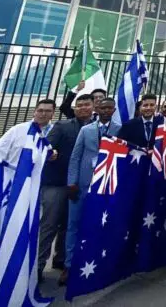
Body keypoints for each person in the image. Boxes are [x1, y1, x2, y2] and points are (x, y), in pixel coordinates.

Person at [39, 93, 94, 281]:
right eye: (79, 105)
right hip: (58, 183)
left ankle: (62, 260)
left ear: (93, 107)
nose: (83, 108)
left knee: (70, 225)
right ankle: (38, 266)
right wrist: (51, 152)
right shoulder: (62, 126)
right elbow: (46, 146)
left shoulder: (97, 128)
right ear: (74, 108)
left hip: (82, 185)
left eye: (87, 104)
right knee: (49, 225)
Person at [63, 97, 119, 282]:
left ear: (114, 110)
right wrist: (72, 182)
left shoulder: (119, 130)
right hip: (82, 186)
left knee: (100, 225)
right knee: (74, 224)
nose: (105, 111)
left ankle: (96, 261)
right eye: (102, 108)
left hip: (105, 186)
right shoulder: (86, 130)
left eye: (109, 108)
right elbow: (75, 157)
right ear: (97, 109)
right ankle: (69, 265)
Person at [0, 99, 56, 172]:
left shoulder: (56, 132)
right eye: (40, 110)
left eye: (48, 111)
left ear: (53, 114)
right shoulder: (17, 130)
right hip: (14, 175)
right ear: (34, 112)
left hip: (42, 175)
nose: (43, 114)